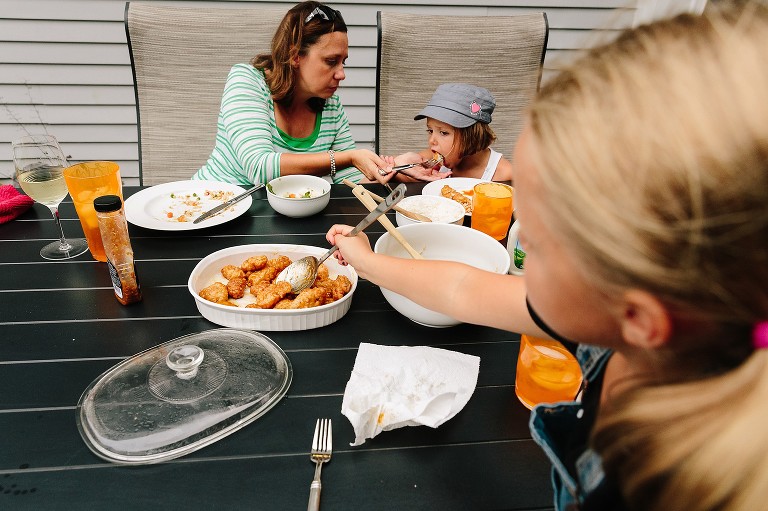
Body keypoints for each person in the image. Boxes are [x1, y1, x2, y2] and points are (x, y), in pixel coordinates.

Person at [325, 1, 768, 510]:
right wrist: (368, 260)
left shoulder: (661, 484)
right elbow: (462, 287)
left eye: (539, 229)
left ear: (639, 315)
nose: (520, 235)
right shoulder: (622, 313)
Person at [193, 1, 391, 186]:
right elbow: (260, 168)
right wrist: (348, 157)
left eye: (343, 62)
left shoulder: (330, 105)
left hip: (273, 216)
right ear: (295, 56)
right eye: (331, 61)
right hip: (206, 205)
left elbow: (347, 178)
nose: (341, 74)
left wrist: (396, 168)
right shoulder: (247, 80)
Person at [381, 83, 513, 182]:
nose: (431, 140)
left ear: (472, 136)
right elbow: (366, 185)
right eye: (430, 130)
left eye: (443, 132)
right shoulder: (431, 162)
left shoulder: (504, 173)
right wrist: (398, 164)